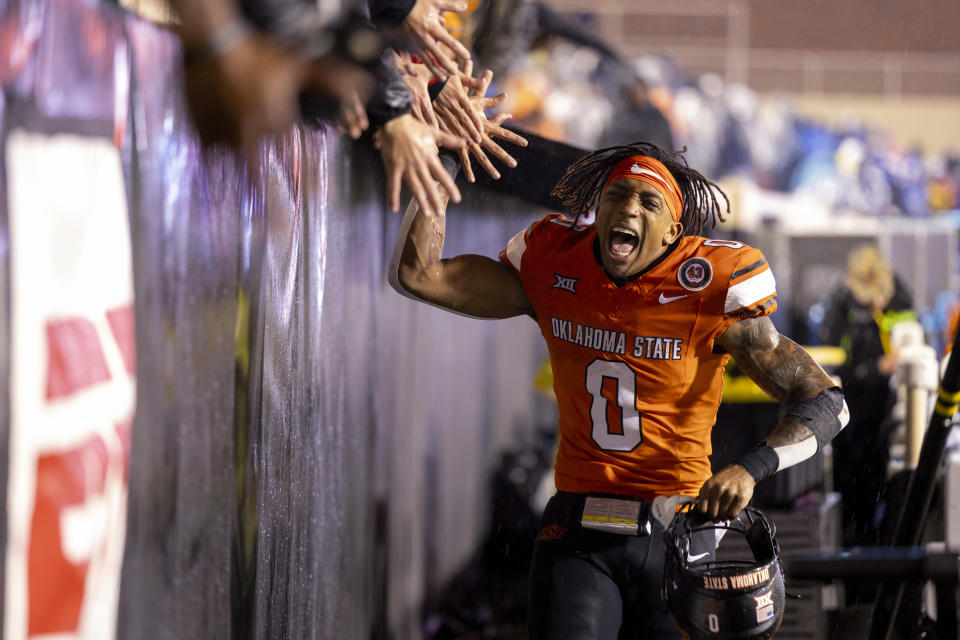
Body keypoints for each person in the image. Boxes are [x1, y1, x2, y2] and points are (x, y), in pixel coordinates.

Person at [389, 141, 848, 638]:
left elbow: (827, 401)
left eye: (649, 202)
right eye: (618, 195)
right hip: (578, 529)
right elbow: (420, 274)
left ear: (674, 231)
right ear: (598, 208)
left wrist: (750, 468)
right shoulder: (554, 261)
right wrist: (441, 157)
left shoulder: (708, 286)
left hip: (679, 530)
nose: (629, 207)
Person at [819, 244, 914, 550]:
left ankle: (871, 547)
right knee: (849, 486)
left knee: (878, 485)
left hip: (882, 411)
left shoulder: (897, 295)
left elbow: (911, 333)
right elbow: (835, 359)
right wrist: (874, 368)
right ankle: (852, 547)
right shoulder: (841, 303)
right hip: (848, 408)